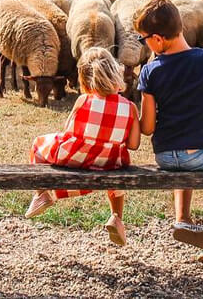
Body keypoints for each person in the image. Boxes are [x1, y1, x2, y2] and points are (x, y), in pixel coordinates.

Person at [134, 0, 203, 266]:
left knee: (182, 161)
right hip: (201, 153)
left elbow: (147, 128)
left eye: (143, 39)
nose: (144, 44)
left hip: (166, 157)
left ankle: (182, 218)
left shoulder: (150, 71)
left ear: (157, 39)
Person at [26, 47, 140, 246]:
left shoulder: (83, 100)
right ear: (115, 72)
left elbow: (69, 130)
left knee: (38, 144)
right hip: (109, 162)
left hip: (76, 158)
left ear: (85, 78)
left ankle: (42, 193)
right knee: (116, 171)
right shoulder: (130, 107)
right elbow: (133, 144)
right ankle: (116, 217)